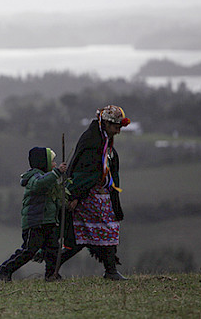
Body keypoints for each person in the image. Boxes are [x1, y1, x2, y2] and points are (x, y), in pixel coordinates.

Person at [56, 105, 130, 280]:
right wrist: (75, 196)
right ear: (106, 123)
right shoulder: (92, 142)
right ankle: (109, 270)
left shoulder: (104, 142)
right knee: (92, 234)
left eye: (120, 127)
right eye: (116, 127)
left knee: (97, 234)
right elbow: (83, 174)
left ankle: (110, 270)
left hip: (102, 199)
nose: (118, 131)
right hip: (89, 198)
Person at [0, 147, 67, 282]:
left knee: (53, 250)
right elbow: (40, 184)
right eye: (52, 161)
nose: (55, 164)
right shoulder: (34, 177)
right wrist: (57, 173)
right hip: (35, 222)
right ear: (43, 163)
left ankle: (51, 275)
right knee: (29, 250)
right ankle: (5, 269)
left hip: (48, 221)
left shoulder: (49, 177)